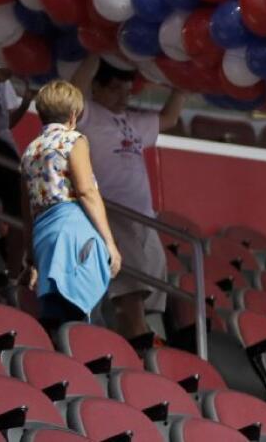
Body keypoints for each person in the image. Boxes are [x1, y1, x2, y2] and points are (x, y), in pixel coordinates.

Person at [71, 54, 185, 345]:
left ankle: (133, 339)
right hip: (112, 210)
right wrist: (95, 53)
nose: (123, 96)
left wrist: (182, 86)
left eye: (127, 90)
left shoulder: (133, 121)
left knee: (152, 278)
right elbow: (74, 92)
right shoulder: (88, 115)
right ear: (97, 88)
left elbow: (169, 118)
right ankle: (139, 337)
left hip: (145, 216)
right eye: (114, 89)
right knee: (129, 283)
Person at [19, 80, 121, 333]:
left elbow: (26, 211)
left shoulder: (30, 151)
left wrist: (31, 258)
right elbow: (86, 191)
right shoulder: (73, 140)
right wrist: (110, 243)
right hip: (74, 230)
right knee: (86, 312)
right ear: (74, 115)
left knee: (57, 316)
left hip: (44, 235)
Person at [0, 62, 34, 281]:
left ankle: (12, 278)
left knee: (22, 211)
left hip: (4, 145)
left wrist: (26, 102)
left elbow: (6, 121)